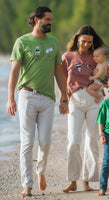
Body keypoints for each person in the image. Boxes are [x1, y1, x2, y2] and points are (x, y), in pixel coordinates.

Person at [7, 6, 68, 197]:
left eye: (51, 20)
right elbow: (15, 71)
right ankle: (27, 185)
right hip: (27, 96)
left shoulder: (54, 42)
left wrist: (64, 97)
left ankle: (40, 171)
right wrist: (10, 98)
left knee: (45, 142)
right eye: (47, 19)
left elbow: (59, 71)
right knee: (27, 142)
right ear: (36, 19)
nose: (50, 23)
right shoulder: (22, 41)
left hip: (48, 98)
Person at [61, 25, 109, 193]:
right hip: (74, 99)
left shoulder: (97, 57)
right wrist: (63, 99)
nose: (86, 45)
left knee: (92, 140)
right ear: (77, 39)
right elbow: (62, 79)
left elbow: (107, 81)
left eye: (90, 42)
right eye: (83, 41)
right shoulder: (67, 56)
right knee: (73, 141)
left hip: (94, 100)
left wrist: (101, 78)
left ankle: (87, 180)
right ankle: (72, 180)